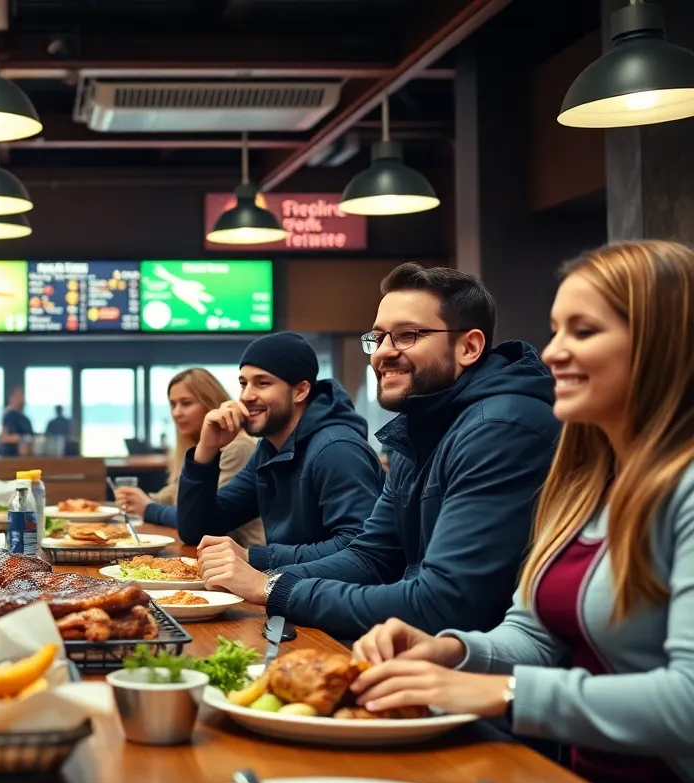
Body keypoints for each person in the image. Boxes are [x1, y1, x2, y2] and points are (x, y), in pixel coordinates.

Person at [348, 241, 694, 783]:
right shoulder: (585, 480)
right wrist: (454, 651)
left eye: (583, 331)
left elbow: (686, 702)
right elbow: (534, 634)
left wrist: (504, 693)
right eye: (556, 331)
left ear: (662, 343)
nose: (553, 352)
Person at [219, 264, 560, 639]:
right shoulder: (420, 427)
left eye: (406, 335)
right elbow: (371, 556)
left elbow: (445, 602)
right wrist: (261, 578)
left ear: (469, 347)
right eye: (378, 338)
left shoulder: (501, 428)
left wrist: (272, 587)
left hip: (478, 661)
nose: (382, 353)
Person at [178, 332, 385, 593]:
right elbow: (196, 530)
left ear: (300, 391)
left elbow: (360, 550)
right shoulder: (269, 448)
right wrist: (207, 449)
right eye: (243, 383)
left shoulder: (336, 449)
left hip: (340, 608)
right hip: (291, 597)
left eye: (262, 383)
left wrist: (253, 557)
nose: (246, 396)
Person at [115, 368, 265, 548]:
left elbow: (202, 516)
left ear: (211, 405)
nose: (176, 412)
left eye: (186, 403)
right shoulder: (193, 449)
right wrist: (136, 500)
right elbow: (173, 494)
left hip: (243, 550)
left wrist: (148, 508)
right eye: (173, 405)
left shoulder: (238, 446)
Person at [0, 387, 34, 456]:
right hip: (10, 457)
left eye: (22, 396)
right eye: (18, 396)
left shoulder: (26, 420)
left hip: (26, 457)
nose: (20, 399)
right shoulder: (8, 416)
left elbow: (31, 438)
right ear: (11, 398)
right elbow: (3, 438)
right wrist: (20, 438)